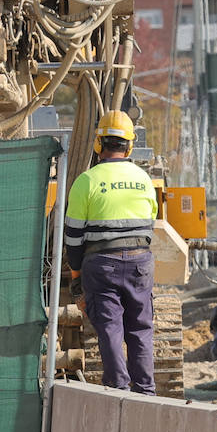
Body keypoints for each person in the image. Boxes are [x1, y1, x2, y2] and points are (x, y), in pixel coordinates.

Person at [64, 112, 158, 394]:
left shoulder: (87, 181)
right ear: (129, 147)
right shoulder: (143, 179)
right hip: (141, 262)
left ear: (98, 144)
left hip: (101, 265)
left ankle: (118, 388)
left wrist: (76, 274)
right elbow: (150, 223)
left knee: (110, 328)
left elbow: (73, 236)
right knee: (140, 328)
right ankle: (146, 390)